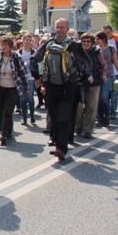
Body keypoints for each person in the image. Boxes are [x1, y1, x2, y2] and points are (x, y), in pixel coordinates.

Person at [30, 18, 91, 161]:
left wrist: (81, 79)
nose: (60, 30)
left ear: (68, 28)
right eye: (58, 27)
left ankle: (61, 148)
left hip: (69, 86)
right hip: (51, 85)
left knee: (64, 116)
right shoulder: (48, 44)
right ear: (54, 28)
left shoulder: (74, 45)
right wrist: (38, 78)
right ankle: (57, 141)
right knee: (54, 115)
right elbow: (34, 59)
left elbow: (87, 62)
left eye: (62, 27)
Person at [0, 35, 28, 146]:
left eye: (5, 44)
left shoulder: (16, 57)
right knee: (1, 110)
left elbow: (23, 73)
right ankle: (8, 128)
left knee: (8, 110)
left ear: (10, 46)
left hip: (13, 88)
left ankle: (5, 134)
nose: (3, 47)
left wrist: (26, 88)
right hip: (0, 87)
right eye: (2, 44)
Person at [75, 33, 107, 139]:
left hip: (94, 83)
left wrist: (103, 75)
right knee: (78, 106)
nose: (86, 43)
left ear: (92, 42)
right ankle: (78, 126)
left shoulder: (97, 52)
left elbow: (103, 65)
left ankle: (87, 129)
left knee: (91, 107)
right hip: (79, 83)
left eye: (88, 41)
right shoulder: (76, 51)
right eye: (84, 41)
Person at [95, 32, 118, 127]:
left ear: (103, 39)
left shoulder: (111, 48)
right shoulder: (95, 49)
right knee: (98, 97)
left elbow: (115, 61)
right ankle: (100, 116)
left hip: (109, 75)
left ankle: (106, 116)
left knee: (104, 96)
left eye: (98, 39)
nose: (96, 41)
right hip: (97, 75)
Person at [19, 34, 37, 124]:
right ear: (23, 41)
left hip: (31, 78)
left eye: (30, 40)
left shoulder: (34, 52)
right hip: (22, 78)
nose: (28, 42)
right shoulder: (19, 52)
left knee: (30, 97)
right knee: (23, 98)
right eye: (26, 40)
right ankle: (24, 117)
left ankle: (32, 115)